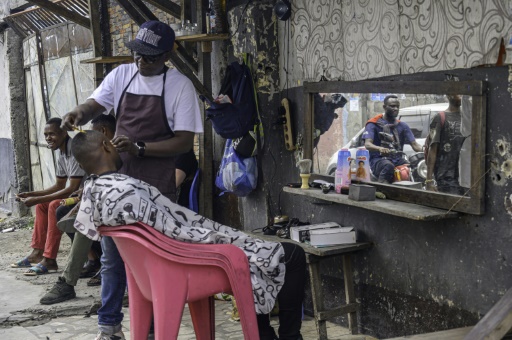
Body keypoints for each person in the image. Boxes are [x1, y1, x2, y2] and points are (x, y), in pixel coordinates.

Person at [71, 130, 306, 340]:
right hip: (184, 264)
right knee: (291, 254)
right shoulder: (126, 189)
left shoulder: (97, 190)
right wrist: (216, 235)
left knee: (255, 254)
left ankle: (263, 334)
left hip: (154, 270)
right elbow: (177, 233)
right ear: (106, 144)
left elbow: (164, 229)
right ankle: (290, 336)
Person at [61, 21, 203, 340]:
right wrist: (77, 114)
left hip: (157, 188)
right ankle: (109, 327)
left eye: (150, 57)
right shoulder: (122, 76)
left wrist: (142, 148)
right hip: (120, 184)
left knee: (153, 264)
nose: (141, 62)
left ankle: (153, 330)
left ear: (168, 54)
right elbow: (94, 104)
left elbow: (183, 142)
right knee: (113, 259)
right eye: (137, 54)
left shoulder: (179, 86)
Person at [40, 114, 117, 305]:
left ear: (103, 134)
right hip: (113, 208)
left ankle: (71, 279)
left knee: (83, 216)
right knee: (75, 214)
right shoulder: (108, 153)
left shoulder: (118, 151)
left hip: (129, 215)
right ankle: (89, 266)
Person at [10, 117, 85, 275]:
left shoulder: (75, 151)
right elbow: (59, 185)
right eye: (45, 135)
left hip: (87, 196)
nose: (48, 138)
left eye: (52, 134)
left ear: (64, 133)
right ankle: (37, 253)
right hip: (75, 195)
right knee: (42, 205)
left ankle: (50, 259)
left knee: (53, 205)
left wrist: (36, 198)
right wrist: (31, 194)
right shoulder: (63, 153)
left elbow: (71, 188)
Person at [363, 95, 423, 183]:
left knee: (415, 168)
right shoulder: (373, 124)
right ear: (384, 107)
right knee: (388, 166)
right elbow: (368, 144)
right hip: (379, 160)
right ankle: (382, 188)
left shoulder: (402, 126)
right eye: (392, 106)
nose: (395, 108)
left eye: (397, 106)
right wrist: (380, 148)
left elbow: (415, 145)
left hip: (397, 159)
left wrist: (426, 149)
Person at [425, 95, 467, 195]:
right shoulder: (439, 118)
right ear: (449, 95)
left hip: (465, 176)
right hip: (446, 177)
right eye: (458, 93)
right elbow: (433, 149)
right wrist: (429, 181)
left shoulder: (468, 118)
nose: (461, 96)